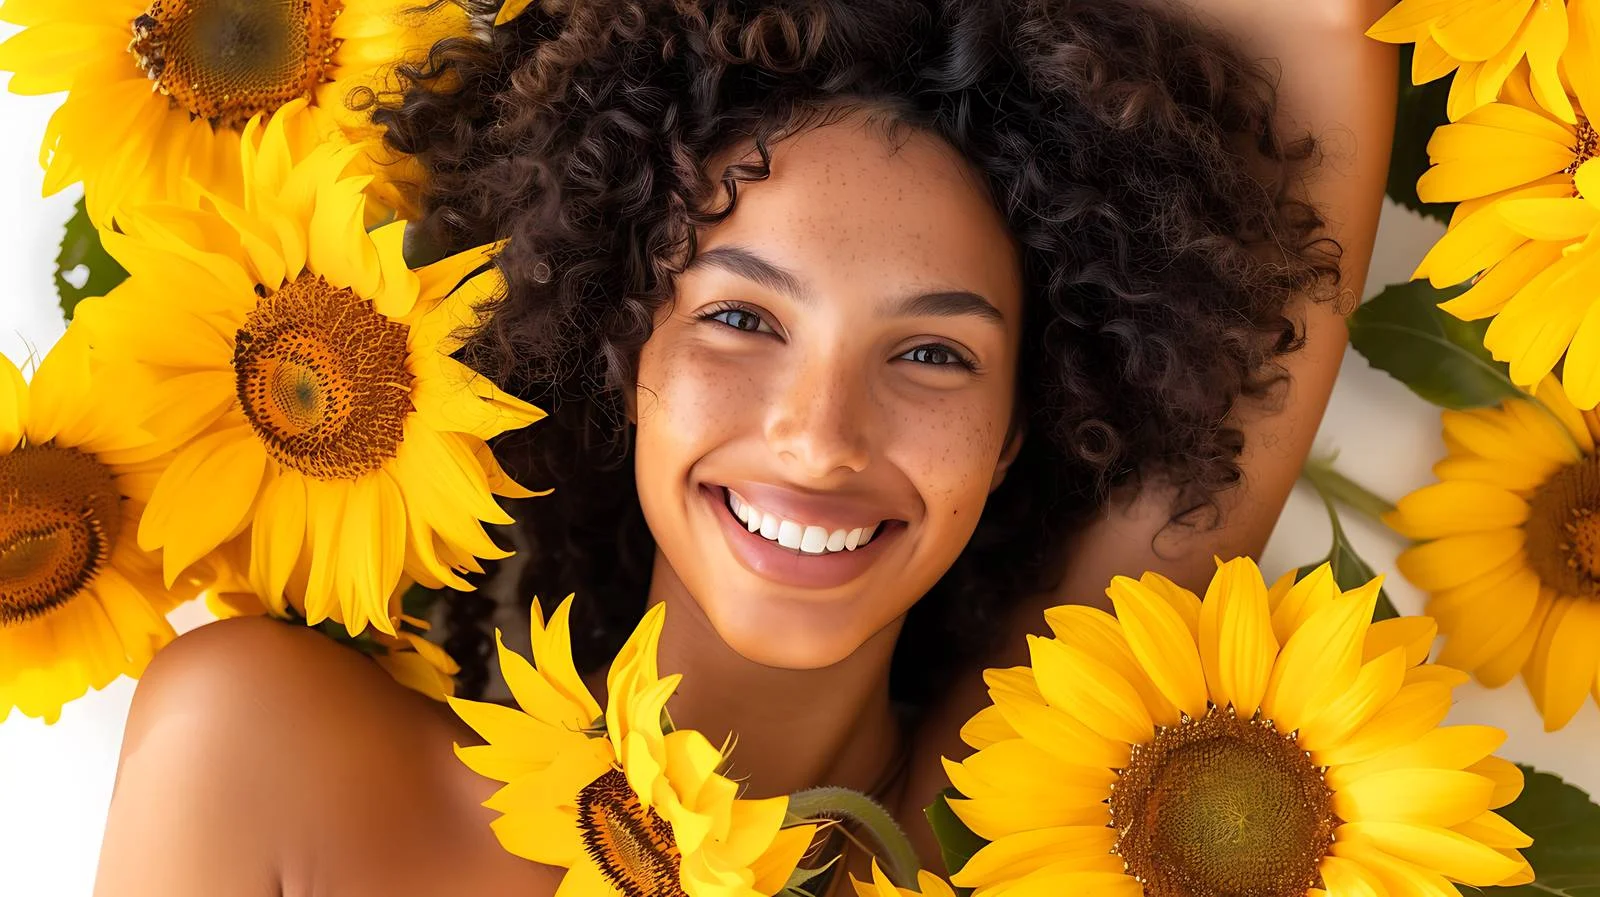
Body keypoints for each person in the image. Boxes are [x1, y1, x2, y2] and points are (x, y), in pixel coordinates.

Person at [92, 0, 1394, 893]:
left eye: (934, 354)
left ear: (1014, 438)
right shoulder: (260, 746)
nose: (819, 436)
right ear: (623, 358)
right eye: (742, 318)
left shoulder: (1014, 831)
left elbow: (1316, 34)